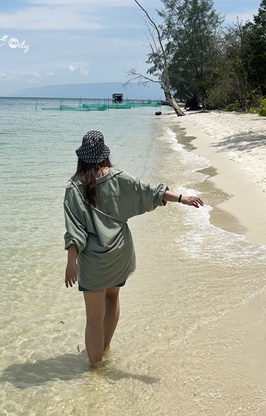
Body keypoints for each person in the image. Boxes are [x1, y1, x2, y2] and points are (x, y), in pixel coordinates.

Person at [64, 129, 203, 365]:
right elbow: (148, 191)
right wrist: (181, 198)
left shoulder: (73, 188)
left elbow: (75, 230)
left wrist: (70, 263)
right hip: (120, 252)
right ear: (104, 153)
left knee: (93, 318)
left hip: (94, 260)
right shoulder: (118, 177)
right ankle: (105, 348)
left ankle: (95, 371)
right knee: (112, 297)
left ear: (82, 156)